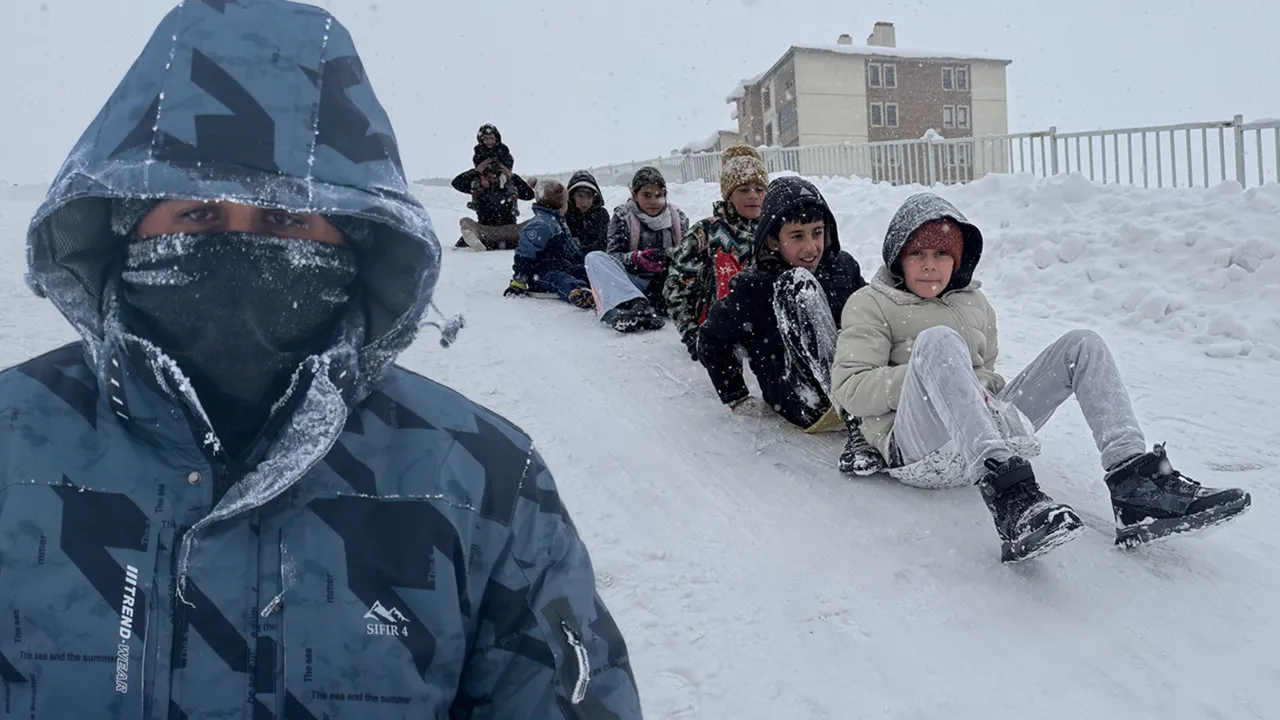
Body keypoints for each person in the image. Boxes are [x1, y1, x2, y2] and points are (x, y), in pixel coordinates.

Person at [2, 2, 642, 717]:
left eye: (284, 218)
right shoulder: (9, 446)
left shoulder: (483, 486)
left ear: (357, 239)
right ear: (125, 224)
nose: (240, 249)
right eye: (198, 214)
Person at [830, 192, 1252, 562]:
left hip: (980, 429)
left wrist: (974, 388)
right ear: (897, 256)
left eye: (942, 255)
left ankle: (1135, 487)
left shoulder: (974, 302)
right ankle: (1012, 500)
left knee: (1082, 343)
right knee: (938, 342)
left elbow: (987, 373)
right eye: (918, 254)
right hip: (919, 449)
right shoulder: (871, 303)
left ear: (958, 260)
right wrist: (931, 374)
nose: (929, 266)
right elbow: (848, 391)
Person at [697, 177, 886, 474]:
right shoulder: (754, 286)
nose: (811, 247)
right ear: (773, 240)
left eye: (817, 233)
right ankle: (855, 424)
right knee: (796, 285)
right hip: (802, 397)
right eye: (797, 236)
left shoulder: (842, 266)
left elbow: (870, 317)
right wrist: (735, 395)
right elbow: (711, 339)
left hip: (855, 381)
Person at [507, 181, 666, 333]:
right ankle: (577, 291)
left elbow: (571, 249)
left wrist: (584, 260)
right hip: (542, 271)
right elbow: (524, 254)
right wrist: (519, 278)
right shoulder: (541, 224)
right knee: (559, 279)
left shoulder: (557, 221)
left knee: (587, 268)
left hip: (563, 263)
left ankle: (610, 291)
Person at [664, 143, 767, 362]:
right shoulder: (707, 232)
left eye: (759, 189)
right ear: (728, 195)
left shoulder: (774, 231)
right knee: (725, 262)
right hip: (717, 324)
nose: (753, 196)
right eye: (743, 190)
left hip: (764, 328)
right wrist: (691, 332)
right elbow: (676, 286)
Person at [606, 166, 691, 314]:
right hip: (633, 280)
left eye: (659, 195)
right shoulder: (623, 217)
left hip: (668, 280)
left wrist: (669, 257)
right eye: (646, 195)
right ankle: (635, 302)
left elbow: (687, 257)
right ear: (634, 195)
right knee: (594, 259)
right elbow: (612, 258)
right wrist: (636, 259)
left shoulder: (678, 218)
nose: (653, 201)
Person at [450, 159, 535, 250]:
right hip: (487, 230)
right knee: (465, 220)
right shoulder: (477, 187)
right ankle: (476, 240)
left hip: (509, 230)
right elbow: (456, 183)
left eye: (495, 176)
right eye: (489, 177)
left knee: (534, 220)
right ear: (483, 176)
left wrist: (512, 176)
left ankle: (481, 240)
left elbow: (529, 195)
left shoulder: (510, 187)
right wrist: (475, 172)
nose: (493, 179)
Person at [565, 169, 610, 254]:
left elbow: (605, 244)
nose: (585, 203)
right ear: (572, 196)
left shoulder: (602, 215)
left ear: (595, 196)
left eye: (589, 196)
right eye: (580, 196)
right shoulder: (564, 216)